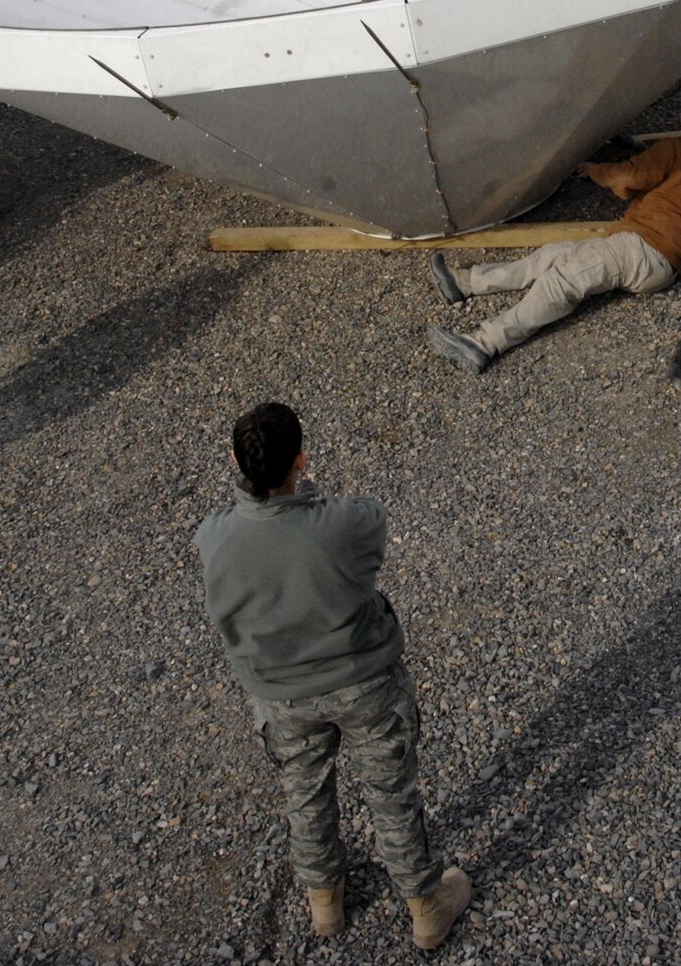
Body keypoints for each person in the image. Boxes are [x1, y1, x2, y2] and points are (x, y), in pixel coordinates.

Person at [195, 402, 473, 950]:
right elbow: (370, 522)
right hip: (364, 683)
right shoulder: (346, 522)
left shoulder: (214, 537)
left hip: (281, 699)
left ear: (234, 461)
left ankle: (325, 902)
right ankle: (423, 906)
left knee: (306, 794)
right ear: (301, 458)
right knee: (392, 793)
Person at [424, 105, 681, 374]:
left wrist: (598, 171)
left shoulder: (680, 148)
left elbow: (630, 176)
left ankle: (484, 343)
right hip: (663, 265)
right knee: (552, 255)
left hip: (641, 247)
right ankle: (466, 282)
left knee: (561, 282)